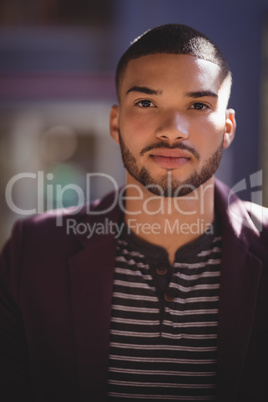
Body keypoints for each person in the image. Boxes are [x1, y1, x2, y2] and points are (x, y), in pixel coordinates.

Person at [0, 23, 267, 402]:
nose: (172, 130)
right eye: (146, 103)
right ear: (115, 122)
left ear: (227, 128)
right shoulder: (33, 253)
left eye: (198, 105)